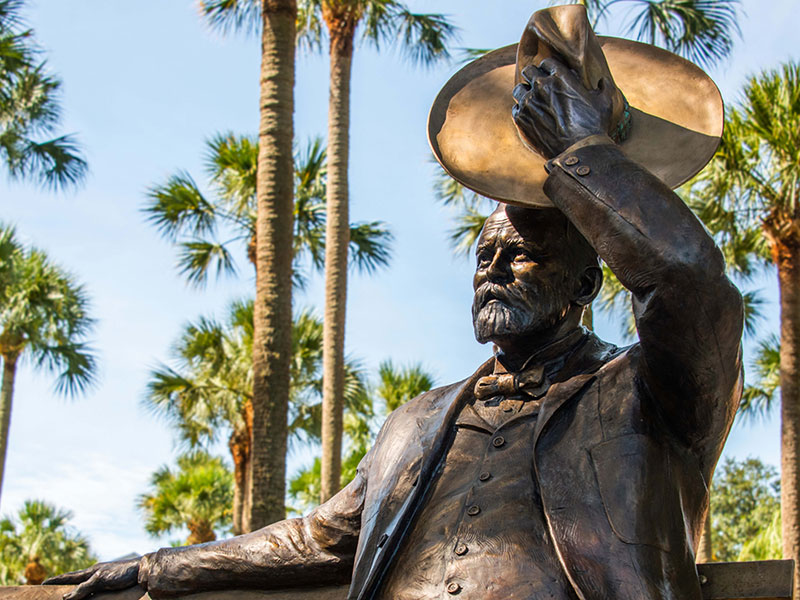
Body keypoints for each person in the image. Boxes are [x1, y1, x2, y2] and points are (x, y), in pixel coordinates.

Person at [46, 6, 743, 600]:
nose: (492, 270)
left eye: (521, 254)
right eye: (483, 256)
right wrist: (157, 566)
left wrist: (584, 151)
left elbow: (690, 284)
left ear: (585, 286)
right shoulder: (416, 422)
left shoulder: (650, 390)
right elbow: (312, 539)